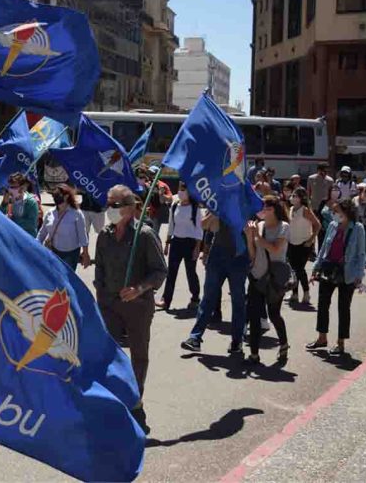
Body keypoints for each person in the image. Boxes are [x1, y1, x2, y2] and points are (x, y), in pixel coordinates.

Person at [94, 185, 167, 434]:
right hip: (109, 305)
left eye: (114, 205)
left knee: (138, 357)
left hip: (138, 306)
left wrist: (139, 288)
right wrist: (101, 296)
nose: (109, 210)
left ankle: (136, 406)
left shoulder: (144, 235)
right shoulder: (104, 235)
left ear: (128, 207)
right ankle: (114, 403)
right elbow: (100, 269)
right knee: (110, 356)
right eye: (108, 204)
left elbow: (160, 271)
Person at [181, 214, 250, 355]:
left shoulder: (247, 204)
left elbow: (253, 230)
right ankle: (195, 338)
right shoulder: (219, 203)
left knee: (238, 300)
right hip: (218, 254)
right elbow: (204, 225)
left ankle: (237, 341)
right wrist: (215, 213)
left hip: (240, 255)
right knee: (208, 298)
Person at [307, 199, 366, 356]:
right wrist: (315, 269)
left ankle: (340, 343)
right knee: (323, 304)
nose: (334, 214)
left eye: (337, 211)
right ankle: (322, 338)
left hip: (347, 273)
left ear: (346, 212)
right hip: (329, 270)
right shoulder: (332, 226)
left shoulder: (358, 229)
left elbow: (361, 254)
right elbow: (324, 249)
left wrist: (359, 276)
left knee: (343, 308)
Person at [244, 197, 291, 364]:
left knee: (274, 314)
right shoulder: (259, 226)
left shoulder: (283, 227)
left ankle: (284, 344)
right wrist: (250, 238)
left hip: (274, 278)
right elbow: (252, 254)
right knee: (254, 316)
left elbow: (275, 248)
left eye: (267, 207)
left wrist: (256, 235)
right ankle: (254, 354)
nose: (264, 210)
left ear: (275, 209)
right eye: (262, 207)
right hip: (257, 276)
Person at [157, 182, 202, 311]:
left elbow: (199, 229)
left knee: (190, 272)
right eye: (180, 189)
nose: (181, 192)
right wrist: (167, 243)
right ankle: (166, 300)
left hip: (190, 243)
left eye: (183, 189)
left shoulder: (195, 208)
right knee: (171, 272)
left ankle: (195, 298)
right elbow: (171, 225)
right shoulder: (175, 206)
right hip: (176, 242)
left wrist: (197, 247)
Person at [37, 184, 90, 271]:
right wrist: (36, 245)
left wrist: (85, 253)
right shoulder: (50, 213)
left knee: (67, 280)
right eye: (54, 196)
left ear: (66, 196)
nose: (55, 198)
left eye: (58, 195)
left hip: (71, 254)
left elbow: (82, 235)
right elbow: (42, 233)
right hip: (53, 252)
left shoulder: (76, 214)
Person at [287, 188, 321, 305]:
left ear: (301, 198)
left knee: (300, 269)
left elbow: (317, 225)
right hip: (292, 243)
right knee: (293, 270)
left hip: (304, 244)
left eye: (295, 196)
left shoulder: (305, 210)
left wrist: (311, 240)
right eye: (292, 195)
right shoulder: (291, 209)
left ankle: (306, 293)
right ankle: (294, 293)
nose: (292, 198)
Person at [0, 172, 39, 237]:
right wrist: (4, 203)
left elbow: (32, 223)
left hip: (27, 237)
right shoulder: (9, 200)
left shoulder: (31, 202)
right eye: (9, 187)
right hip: (13, 236)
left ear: (22, 187)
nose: (10, 190)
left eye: (13, 187)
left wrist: (12, 222)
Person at [307, 163, 335, 235]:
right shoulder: (311, 178)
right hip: (314, 205)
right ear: (319, 170)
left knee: (324, 226)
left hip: (325, 207)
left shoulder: (330, 180)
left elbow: (331, 193)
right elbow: (308, 192)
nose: (325, 173)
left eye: (326, 171)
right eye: (323, 171)